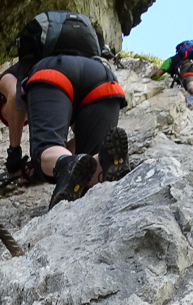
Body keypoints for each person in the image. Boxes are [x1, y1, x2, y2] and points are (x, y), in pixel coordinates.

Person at [21, 18, 132, 208]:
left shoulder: (25, 64)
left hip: (53, 71)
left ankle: (67, 164)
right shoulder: (93, 58)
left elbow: (13, 101)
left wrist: (15, 157)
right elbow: (79, 137)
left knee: (46, 147)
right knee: (92, 162)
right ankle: (103, 160)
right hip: (104, 79)